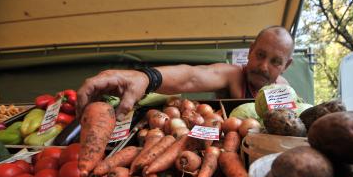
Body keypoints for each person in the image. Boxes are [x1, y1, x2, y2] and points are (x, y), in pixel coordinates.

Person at [76, 26, 294, 120]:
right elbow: (191, 76)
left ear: (286, 66)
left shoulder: (285, 91)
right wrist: (146, 77)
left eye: (275, 61)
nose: (264, 66)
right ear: (250, 52)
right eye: (260, 55)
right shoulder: (233, 74)